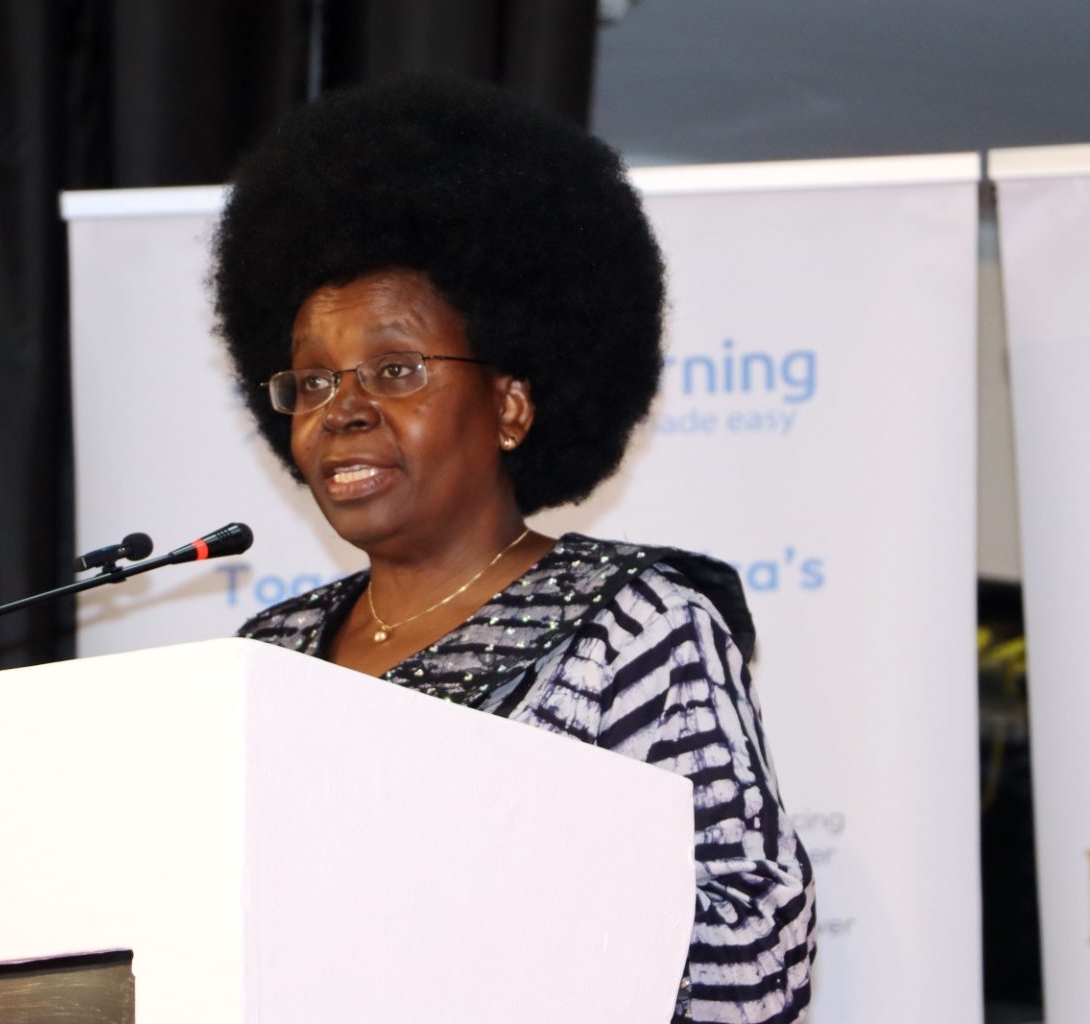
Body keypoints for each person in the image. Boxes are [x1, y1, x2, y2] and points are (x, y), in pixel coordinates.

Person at [213, 75, 814, 1023]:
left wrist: (492, 879)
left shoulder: (637, 632)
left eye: (395, 368)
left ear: (510, 406)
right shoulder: (267, 657)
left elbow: (759, 960)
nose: (344, 410)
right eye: (314, 382)